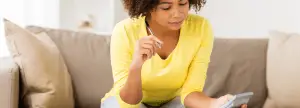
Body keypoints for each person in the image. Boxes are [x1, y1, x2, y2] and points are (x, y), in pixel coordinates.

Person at [101, 0, 248, 108]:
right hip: (125, 103)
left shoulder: (201, 28)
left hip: (173, 102)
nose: (177, 14)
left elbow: (191, 91)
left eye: (183, 4)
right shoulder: (125, 31)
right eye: (166, 7)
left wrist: (218, 104)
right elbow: (129, 101)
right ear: (147, 6)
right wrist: (136, 66)